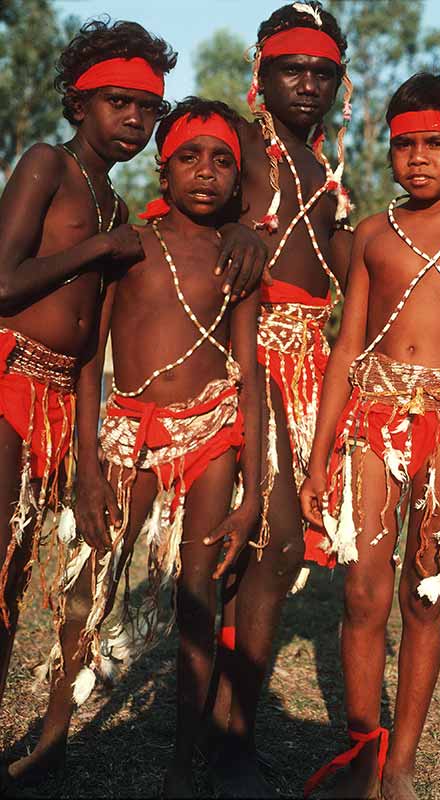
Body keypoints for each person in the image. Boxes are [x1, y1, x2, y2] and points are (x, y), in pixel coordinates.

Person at [300, 72, 440, 800]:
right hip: (374, 421)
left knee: (422, 594)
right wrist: (316, 461)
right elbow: (345, 351)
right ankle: (363, 751)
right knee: (362, 592)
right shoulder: (373, 234)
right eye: (403, 145)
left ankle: (400, 766)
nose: (418, 158)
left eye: (436, 144)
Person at [0, 16, 178, 718]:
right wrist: (99, 249)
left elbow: (90, 347)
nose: (135, 120)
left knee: (12, 577)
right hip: (8, 374)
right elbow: (3, 282)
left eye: (149, 108)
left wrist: (88, 462)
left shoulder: (115, 202)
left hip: (55, 397)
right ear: (80, 104)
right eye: (119, 102)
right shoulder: (48, 163)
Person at [206, 2, 355, 795]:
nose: (307, 84)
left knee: (262, 548)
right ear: (260, 72)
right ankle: (228, 741)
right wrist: (228, 229)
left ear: (339, 81)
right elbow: (194, 199)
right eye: (291, 69)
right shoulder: (240, 143)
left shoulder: (327, 174)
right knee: (276, 544)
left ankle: (222, 726)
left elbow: (345, 269)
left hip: (307, 366)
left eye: (322, 72)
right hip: (246, 354)